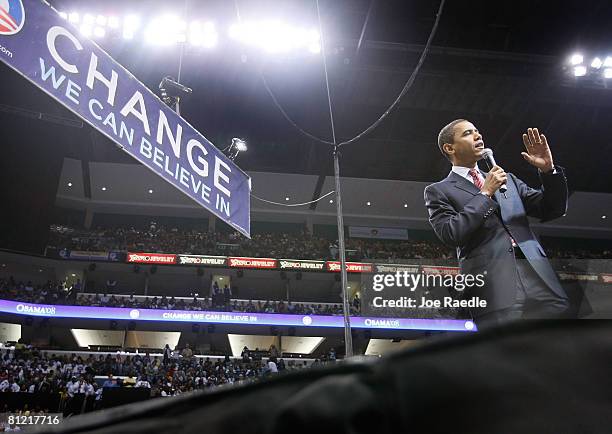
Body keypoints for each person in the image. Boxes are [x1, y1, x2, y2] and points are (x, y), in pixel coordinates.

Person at [424, 120, 569, 327]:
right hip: (494, 285)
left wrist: (548, 171)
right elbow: (451, 233)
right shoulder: (439, 191)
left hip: (539, 277)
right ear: (450, 148)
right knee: (506, 355)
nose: (478, 136)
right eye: (467, 133)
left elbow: (552, 209)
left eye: (478, 131)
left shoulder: (507, 179)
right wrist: (485, 193)